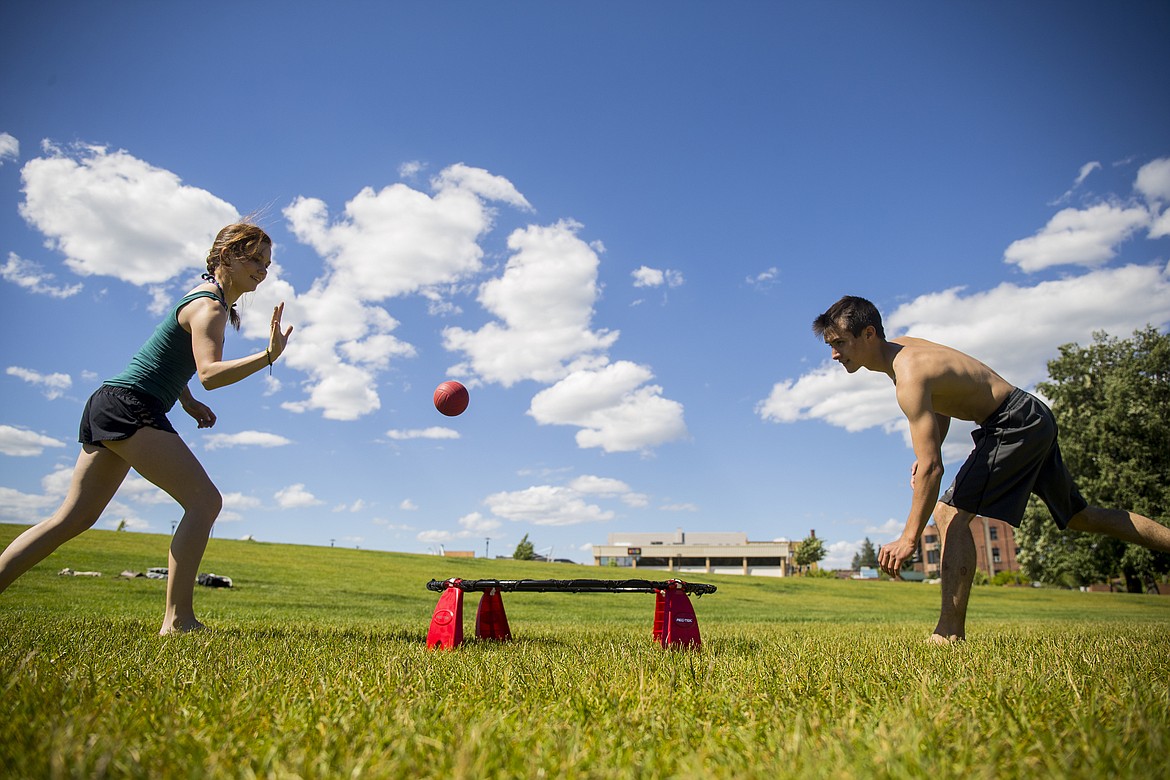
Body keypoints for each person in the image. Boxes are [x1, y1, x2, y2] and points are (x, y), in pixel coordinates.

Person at [812, 295, 1170, 643]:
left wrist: (909, 538)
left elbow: (933, 471)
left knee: (949, 514)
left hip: (1011, 422)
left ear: (869, 334)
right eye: (831, 344)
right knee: (1080, 516)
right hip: (1031, 414)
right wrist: (929, 452)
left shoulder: (908, 376)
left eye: (840, 342)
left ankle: (948, 632)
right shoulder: (905, 351)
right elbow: (944, 402)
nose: (834, 354)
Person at [0, 222, 293, 634]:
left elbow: (171, 359)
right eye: (255, 259)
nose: (263, 270)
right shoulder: (209, 307)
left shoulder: (209, 303)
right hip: (130, 407)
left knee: (72, 518)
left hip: (111, 402)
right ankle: (178, 620)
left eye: (267, 262)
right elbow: (208, 371)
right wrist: (268, 356)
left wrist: (187, 401)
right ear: (225, 256)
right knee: (204, 502)